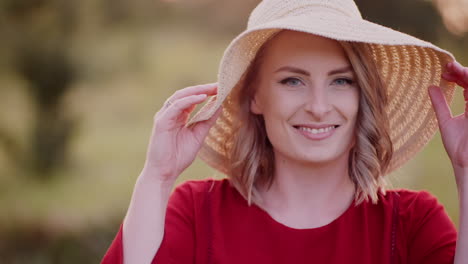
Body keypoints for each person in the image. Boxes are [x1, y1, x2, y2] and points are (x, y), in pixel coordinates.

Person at [101, 0, 468, 263]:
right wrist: (158, 176)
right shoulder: (197, 213)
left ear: (363, 96)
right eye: (293, 80)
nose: (319, 106)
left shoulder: (409, 223)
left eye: (341, 81)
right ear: (254, 96)